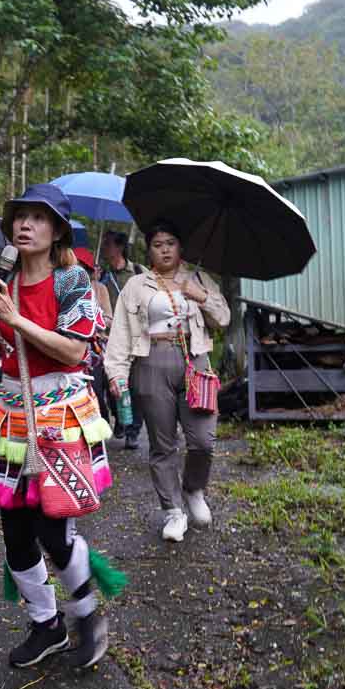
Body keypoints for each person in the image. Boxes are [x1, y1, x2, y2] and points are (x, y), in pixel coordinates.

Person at [0, 184, 116, 670]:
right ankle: (46, 624)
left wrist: (18, 320)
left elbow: (76, 351)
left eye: (38, 218)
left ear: (56, 230)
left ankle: (86, 613)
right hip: (12, 415)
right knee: (14, 530)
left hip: (59, 415)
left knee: (53, 529)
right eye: (19, 216)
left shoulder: (71, 281)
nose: (24, 225)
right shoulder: (2, 278)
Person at [103, 219, 230, 543]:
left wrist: (200, 295)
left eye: (170, 243)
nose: (164, 249)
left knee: (203, 439)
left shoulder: (197, 276)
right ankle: (173, 511)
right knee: (162, 444)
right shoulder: (136, 285)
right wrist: (117, 373)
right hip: (151, 362)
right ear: (149, 249)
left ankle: (193, 488)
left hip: (195, 361)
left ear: (181, 247)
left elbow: (224, 319)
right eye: (158, 244)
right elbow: (120, 332)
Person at [98, 230, 146, 449]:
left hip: (136, 336)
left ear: (119, 247)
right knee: (113, 384)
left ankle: (133, 432)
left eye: (107, 244)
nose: (104, 247)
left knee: (136, 386)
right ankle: (120, 417)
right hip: (110, 338)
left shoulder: (138, 272)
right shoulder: (103, 276)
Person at [73, 246, 112, 415]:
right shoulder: (60, 287)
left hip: (93, 349)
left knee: (95, 390)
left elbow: (109, 319)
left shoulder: (99, 289)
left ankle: (102, 425)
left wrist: (95, 317)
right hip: (69, 347)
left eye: (80, 267)